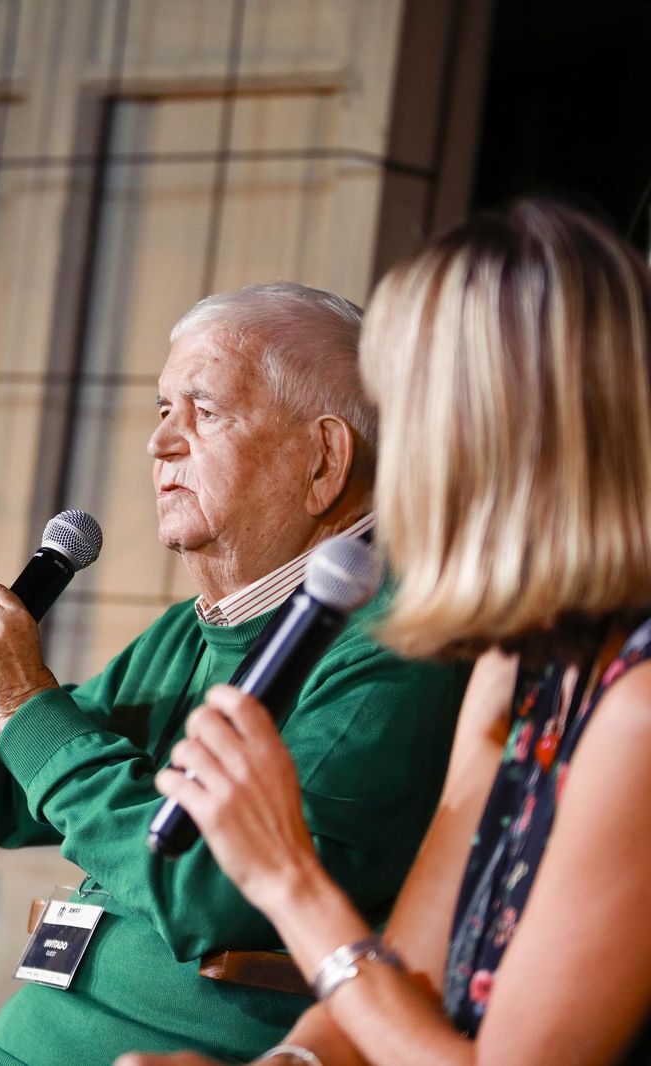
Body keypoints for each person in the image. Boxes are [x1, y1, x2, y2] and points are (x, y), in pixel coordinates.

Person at [0, 283, 470, 1066]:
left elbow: (212, 889)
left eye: (203, 412)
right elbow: (8, 793)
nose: (159, 444)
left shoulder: (398, 642)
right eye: (162, 410)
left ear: (324, 460)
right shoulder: (202, 625)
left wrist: (28, 701)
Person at [116, 202, 651, 1066]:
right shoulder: (522, 661)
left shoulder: (640, 712)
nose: (385, 455)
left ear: (515, 433)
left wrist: (287, 878)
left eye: (410, 407)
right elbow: (404, 975)